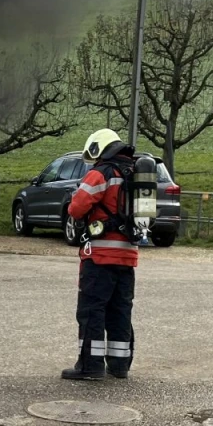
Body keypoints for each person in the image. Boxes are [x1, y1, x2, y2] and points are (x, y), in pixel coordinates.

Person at [62, 128, 138, 381]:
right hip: (128, 255)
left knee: (92, 310)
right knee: (120, 311)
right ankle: (119, 365)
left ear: (98, 148)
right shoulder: (135, 172)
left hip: (101, 255)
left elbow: (76, 208)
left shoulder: (101, 172)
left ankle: (90, 366)